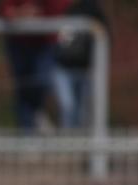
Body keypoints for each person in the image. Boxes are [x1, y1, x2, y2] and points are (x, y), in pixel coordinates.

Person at [0, 0, 70, 132]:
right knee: (23, 90)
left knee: (42, 81)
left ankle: (37, 111)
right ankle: (27, 137)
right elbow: (5, 10)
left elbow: (59, 9)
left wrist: (38, 13)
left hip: (45, 42)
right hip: (19, 42)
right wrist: (19, 14)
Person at [52, 0, 107, 129]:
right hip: (62, 66)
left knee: (83, 111)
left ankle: (82, 143)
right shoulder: (61, 8)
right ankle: (67, 143)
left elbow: (106, 35)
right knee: (68, 106)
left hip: (85, 68)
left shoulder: (94, 11)